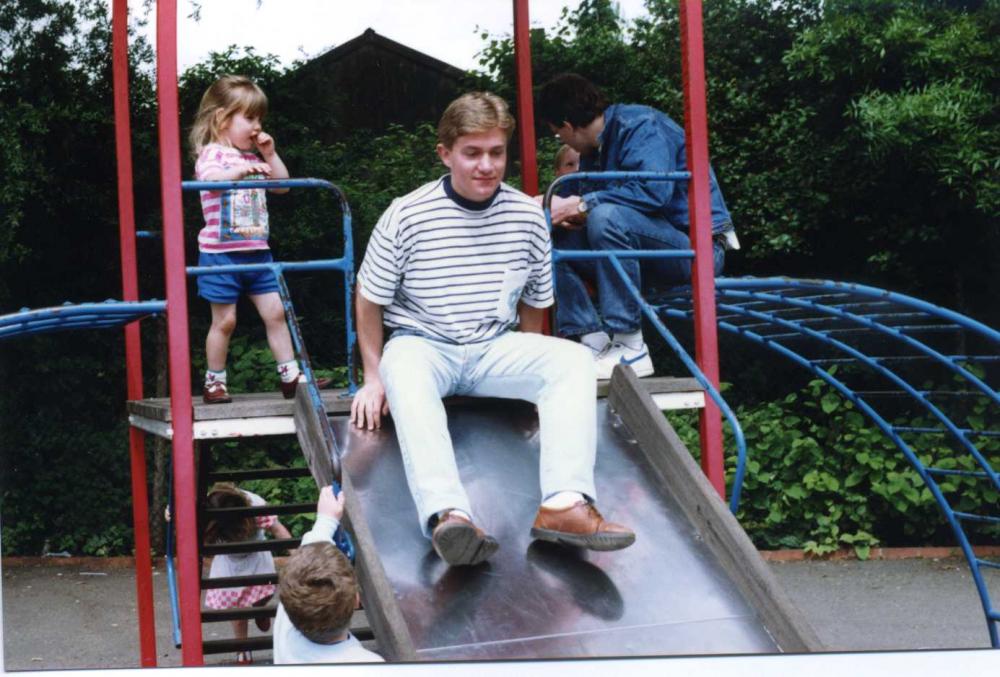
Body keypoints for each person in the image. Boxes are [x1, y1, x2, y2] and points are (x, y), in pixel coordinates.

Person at [350, 91, 635, 567]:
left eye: (496, 153)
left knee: (571, 359)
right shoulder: (407, 214)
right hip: (424, 345)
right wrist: (373, 376)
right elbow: (369, 299)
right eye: (473, 153)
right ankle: (450, 515)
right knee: (405, 370)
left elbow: (535, 306)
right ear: (446, 154)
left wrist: (531, 378)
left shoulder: (526, 216)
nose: (486, 165)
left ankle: (564, 504)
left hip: (491, 346)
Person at [537, 73, 739, 380]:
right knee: (550, 231)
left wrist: (582, 206)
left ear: (566, 125)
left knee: (604, 216)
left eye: (557, 134)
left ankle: (631, 345)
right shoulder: (594, 153)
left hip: (697, 248)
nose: (562, 141)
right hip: (646, 248)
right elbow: (584, 201)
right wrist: (549, 207)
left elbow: (653, 193)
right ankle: (592, 341)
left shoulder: (642, 125)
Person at [189, 74, 328, 403]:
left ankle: (290, 376)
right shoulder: (212, 155)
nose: (256, 126)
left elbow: (281, 186)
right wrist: (235, 174)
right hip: (220, 255)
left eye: (259, 119)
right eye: (249, 117)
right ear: (222, 119)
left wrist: (270, 155)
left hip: (256, 253)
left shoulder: (253, 158)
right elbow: (211, 181)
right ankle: (215, 382)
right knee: (225, 321)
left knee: (276, 313)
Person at [273, 486, 384, 664]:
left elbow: (309, 551)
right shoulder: (370, 665)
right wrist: (326, 519)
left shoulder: (287, 622)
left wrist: (326, 521)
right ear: (356, 600)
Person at [203, 483, 292, 665]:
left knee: (263, 594)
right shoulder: (209, 509)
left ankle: (259, 610)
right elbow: (180, 509)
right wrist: (169, 512)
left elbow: (277, 529)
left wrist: (299, 555)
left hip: (255, 554)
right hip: (228, 560)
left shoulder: (255, 507)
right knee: (237, 608)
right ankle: (242, 647)